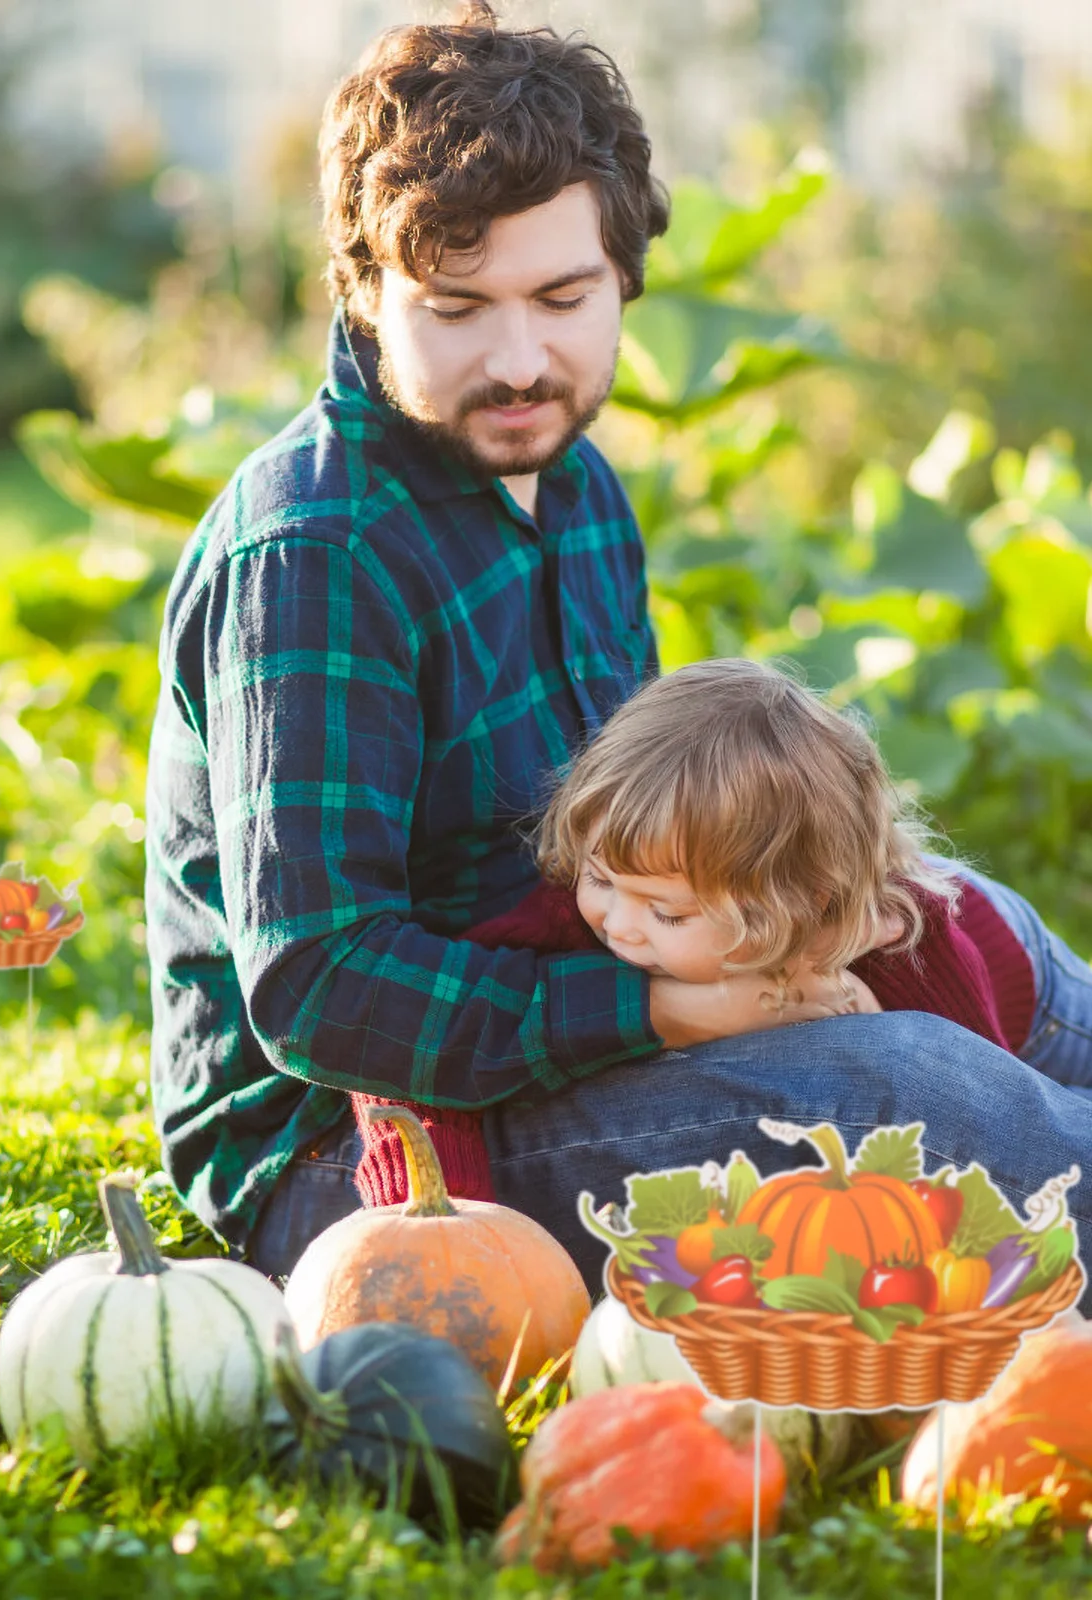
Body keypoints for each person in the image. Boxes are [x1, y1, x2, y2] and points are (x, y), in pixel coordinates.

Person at [143, 3, 1092, 1294]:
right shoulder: (317, 550)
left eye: (563, 296)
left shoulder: (577, 489)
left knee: (987, 931)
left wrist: (798, 912)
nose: (520, 359)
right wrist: (667, 1012)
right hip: (364, 1161)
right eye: (458, 308)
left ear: (622, 275)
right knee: (889, 1087)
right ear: (364, 290)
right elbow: (320, 989)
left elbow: (642, 829)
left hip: (582, 991)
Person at [353, 658, 1083, 1206]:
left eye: (666, 913)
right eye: (601, 877)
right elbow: (416, 1061)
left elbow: (985, 1108)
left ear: (798, 907)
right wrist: (441, 1215)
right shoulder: (560, 921)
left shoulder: (894, 934)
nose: (618, 923)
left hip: (1019, 979)